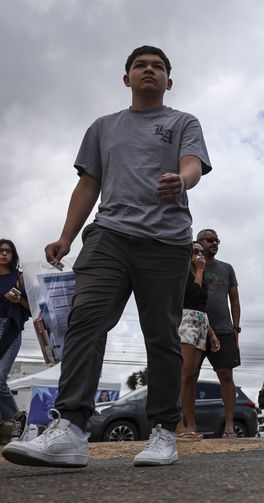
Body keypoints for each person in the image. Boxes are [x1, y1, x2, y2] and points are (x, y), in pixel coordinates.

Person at [2, 46, 211, 468]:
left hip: (167, 241)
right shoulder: (103, 127)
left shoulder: (182, 122)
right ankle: (72, 429)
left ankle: (162, 433)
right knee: (86, 320)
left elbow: (193, 164)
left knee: (161, 335)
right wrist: (66, 237)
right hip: (108, 237)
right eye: (139, 66)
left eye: (157, 67)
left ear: (169, 81)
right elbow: (88, 186)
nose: (148, 71)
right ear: (126, 78)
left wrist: (183, 181)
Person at [196, 228, 241, 437]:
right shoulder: (191, 266)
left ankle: (229, 426)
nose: (214, 243)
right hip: (195, 327)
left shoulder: (227, 268)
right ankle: (186, 426)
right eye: (209, 240)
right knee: (188, 375)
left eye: (216, 240)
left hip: (223, 329)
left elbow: (234, 299)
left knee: (226, 375)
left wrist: (236, 327)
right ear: (198, 243)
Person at [175, 242, 220, 440]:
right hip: (185, 323)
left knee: (192, 378)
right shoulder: (183, 274)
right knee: (184, 376)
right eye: (195, 251)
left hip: (200, 324)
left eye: (201, 251)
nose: (200, 254)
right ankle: (176, 425)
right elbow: (190, 296)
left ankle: (190, 425)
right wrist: (200, 270)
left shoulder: (199, 276)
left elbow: (201, 305)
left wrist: (211, 333)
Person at [0, 239, 31, 439]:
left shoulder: (19, 277)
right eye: (0, 250)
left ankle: (17, 417)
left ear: (13, 255)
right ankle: (13, 418)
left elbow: (35, 307)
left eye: (7, 251)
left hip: (9, 330)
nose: (3, 254)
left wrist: (18, 299)